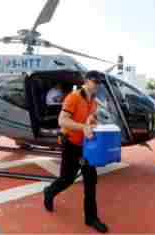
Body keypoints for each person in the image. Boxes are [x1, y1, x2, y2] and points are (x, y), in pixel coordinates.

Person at [43, 71, 109, 233]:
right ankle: (49, 192)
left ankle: (91, 218)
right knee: (67, 179)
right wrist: (83, 127)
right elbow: (62, 120)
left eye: (100, 82)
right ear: (86, 81)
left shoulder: (93, 101)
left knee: (91, 181)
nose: (98, 85)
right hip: (71, 144)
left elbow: (88, 118)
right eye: (95, 81)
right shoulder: (73, 97)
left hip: (86, 146)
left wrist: (92, 122)